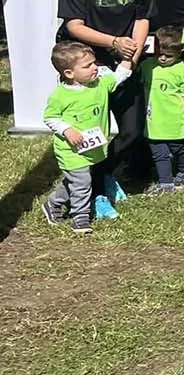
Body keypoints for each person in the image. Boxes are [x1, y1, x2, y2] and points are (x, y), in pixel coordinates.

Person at [57, 0, 151, 212]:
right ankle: (94, 190)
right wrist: (113, 42)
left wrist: (131, 58)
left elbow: (142, 19)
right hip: (89, 66)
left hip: (126, 61)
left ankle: (107, 172)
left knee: (132, 130)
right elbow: (74, 26)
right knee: (91, 133)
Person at [41, 42, 134, 234]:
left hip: (93, 149)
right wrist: (67, 130)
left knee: (77, 182)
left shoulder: (100, 83)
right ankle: (80, 218)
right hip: (71, 151)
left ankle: (53, 204)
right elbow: (50, 117)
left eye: (94, 63)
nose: (95, 68)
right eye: (87, 66)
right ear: (68, 73)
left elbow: (119, 76)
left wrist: (128, 58)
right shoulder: (61, 95)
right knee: (82, 182)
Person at [143, 25, 184, 194]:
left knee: (177, 148)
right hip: (152, 119)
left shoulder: (181, 70)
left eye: (168, 55)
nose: (163, 58)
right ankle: (166, 183)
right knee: (159, 152)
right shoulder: (147, 66)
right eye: (160, 54)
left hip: (173, 118)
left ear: (180, 52)